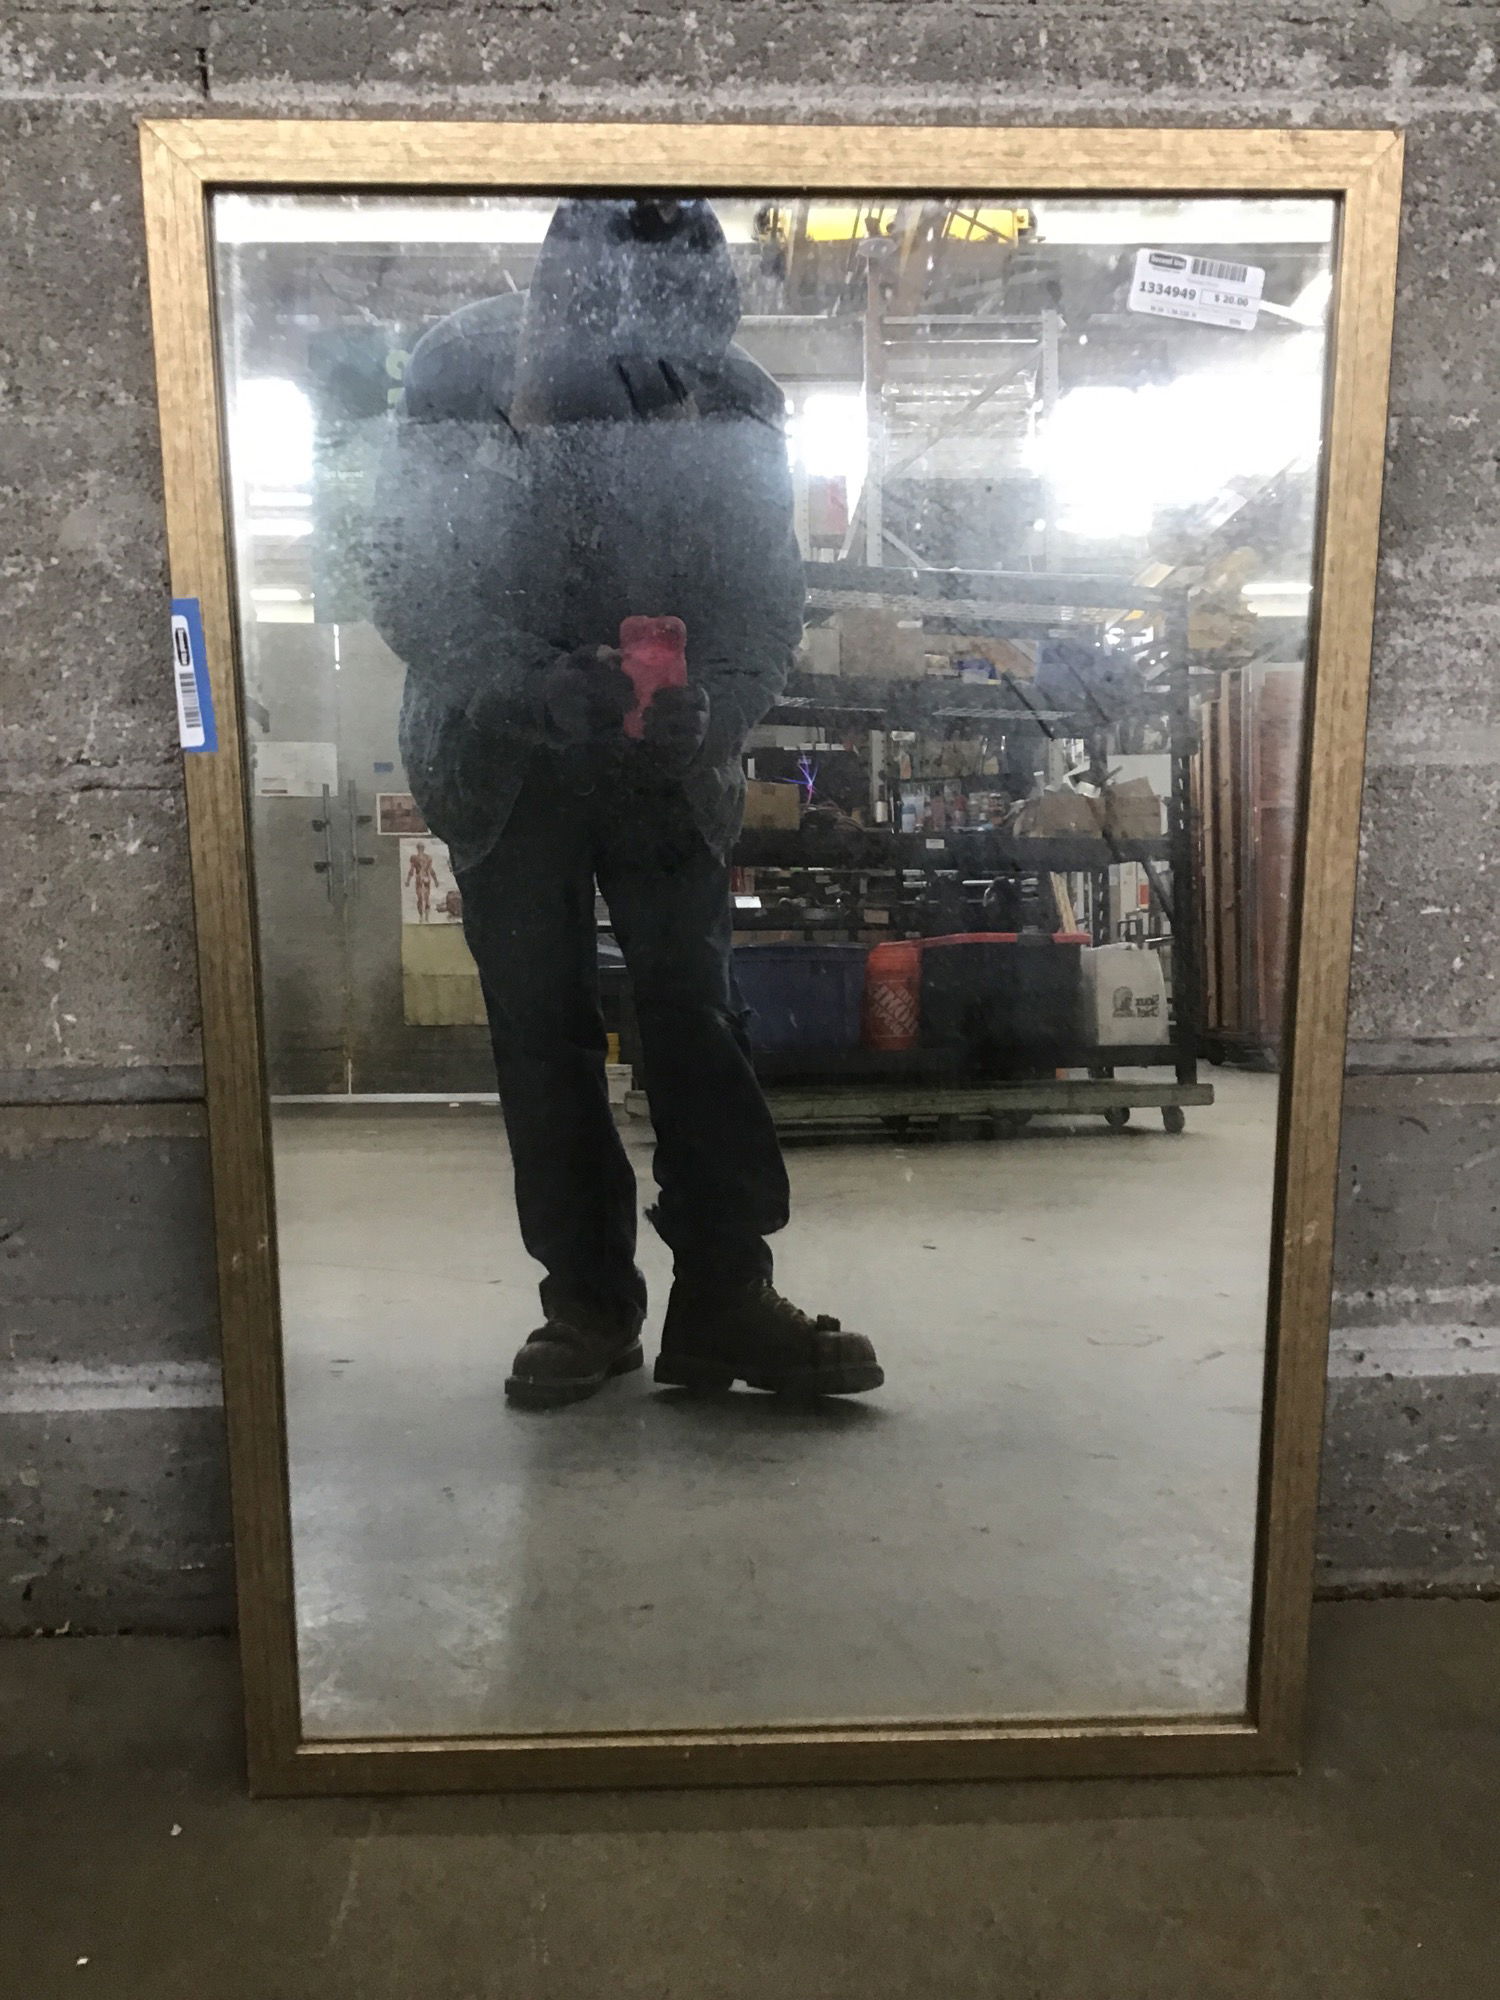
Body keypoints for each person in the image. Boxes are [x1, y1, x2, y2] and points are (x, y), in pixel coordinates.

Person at [370, 197, 883, 1409]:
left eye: (674, 355)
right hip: (503, 755)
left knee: (696, 1013)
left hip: (664, 760)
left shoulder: (737, 397)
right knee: (542, 1026)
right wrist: (534, 685)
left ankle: (725, 1295)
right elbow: (410, 579)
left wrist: (721, 702)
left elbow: (764, 600)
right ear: (562, 298)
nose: (654, 380)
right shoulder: (458, 371)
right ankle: (589, 1301)